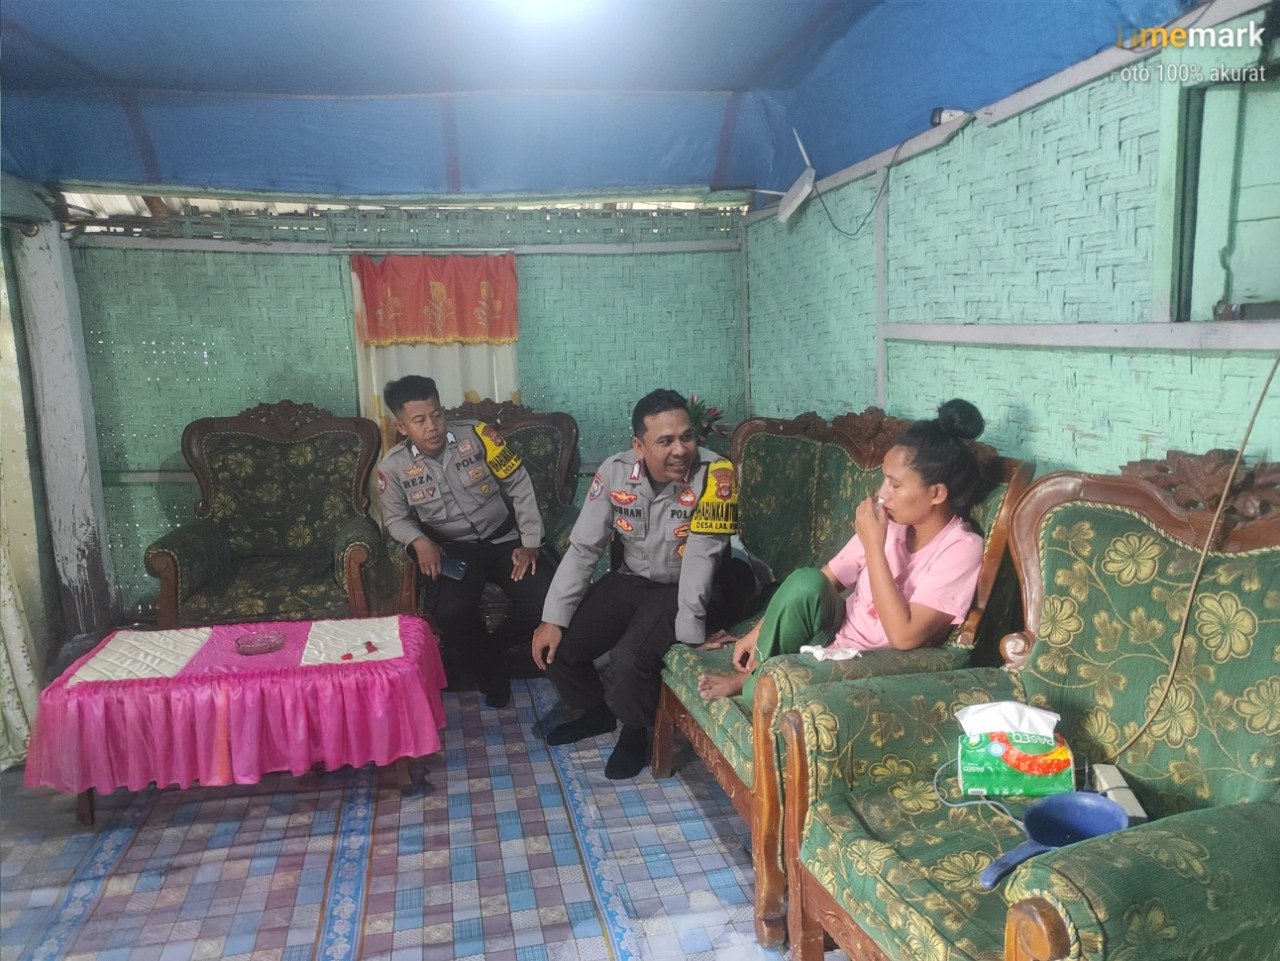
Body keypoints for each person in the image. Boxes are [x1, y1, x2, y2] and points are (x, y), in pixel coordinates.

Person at [697, 398, 988, 705]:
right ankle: (760, 676)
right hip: (834, 634)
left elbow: (904, 636)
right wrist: (759, 631)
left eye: (895, 485)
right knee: (806, 580)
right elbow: (822, 581)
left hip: (874, 662)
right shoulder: (893, 521)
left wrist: (874, 546)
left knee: (762, 695)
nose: (882, 494)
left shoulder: (961, 548)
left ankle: (754, 683)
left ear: (937, 493)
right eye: (884, 479)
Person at [532, 389, 741, 779]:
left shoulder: (716, 474)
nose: (681, 450)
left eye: (687, 436)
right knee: (560, 648)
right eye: (665, 441)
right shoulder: (614, 472)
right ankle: (596, 712)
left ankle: (634, 731)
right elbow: (584, 549)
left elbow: (701, 555)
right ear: (639, 446)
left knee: (629, 656)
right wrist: (553, 619)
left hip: (686, 585)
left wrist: (692, 632)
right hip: (632, 579)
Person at [378, 376, 553, 709]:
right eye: (419, 420)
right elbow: (396, 519)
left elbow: (518, 482)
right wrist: (418, 541)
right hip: (454, 549)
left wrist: (531, 541)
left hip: (505, 539)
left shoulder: (478, 435)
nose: (432, 426)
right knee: (450, 612)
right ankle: (492, 670)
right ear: (401, 426)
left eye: (437, 414)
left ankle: (491, 652)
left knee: (548, 599)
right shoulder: (394, 467)